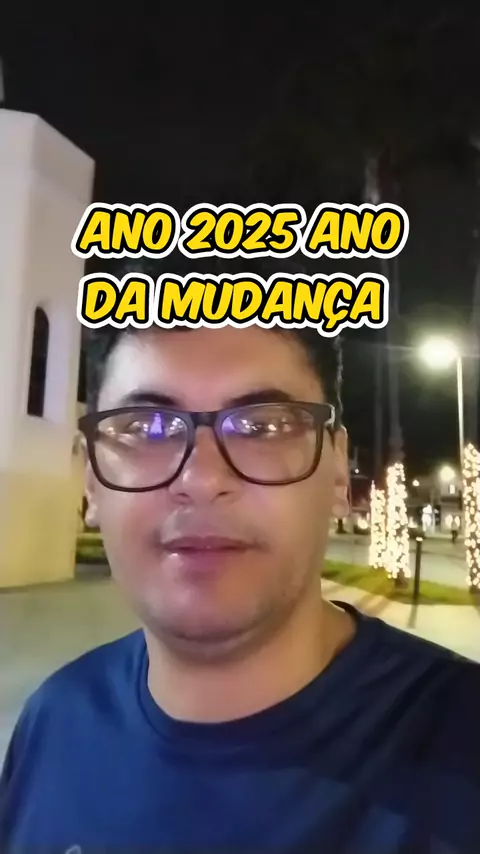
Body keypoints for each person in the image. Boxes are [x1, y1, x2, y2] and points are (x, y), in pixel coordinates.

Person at [1, 322, 480, 854]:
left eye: (263, 427)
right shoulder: (56, 722)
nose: (202, 479)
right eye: (149, 428)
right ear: (91, 481)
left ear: (338, 473)